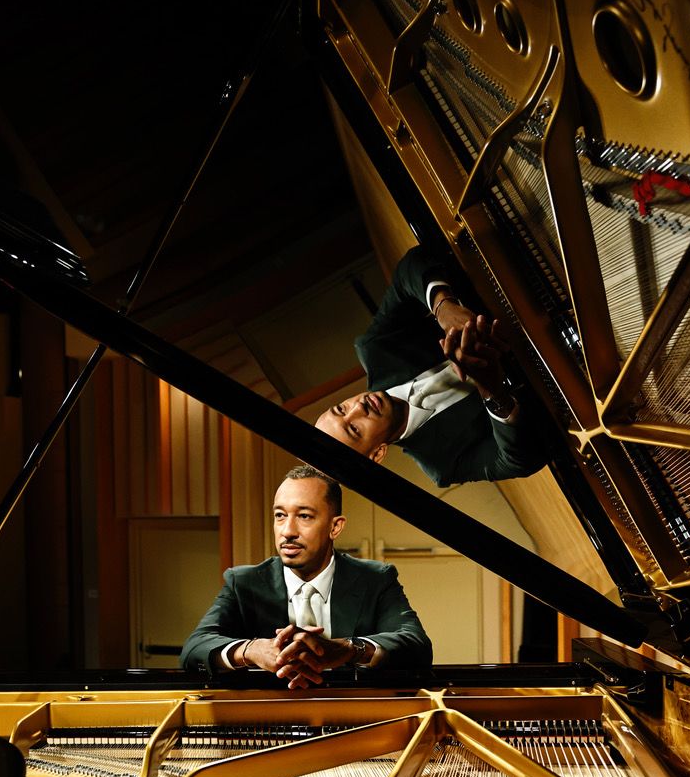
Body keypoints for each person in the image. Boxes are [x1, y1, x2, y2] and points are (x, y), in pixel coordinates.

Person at [314, 244, 548, 487]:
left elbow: (410, 266)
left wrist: (442, 307)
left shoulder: (376, 348)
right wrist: (492, 391)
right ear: (377, 454)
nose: (357, 407)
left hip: (523, 282)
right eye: (354, 429)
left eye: (341, 409)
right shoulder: (442, 464)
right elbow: (521, 461)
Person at [179, 464, 431, 688]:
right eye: (280, 515)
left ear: (335, 527)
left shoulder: (375, 579)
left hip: (356, 714)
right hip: (270, 717)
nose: (288, 531)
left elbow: (416, 645)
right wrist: (250, 650)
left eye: (304, 516)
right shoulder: (244, 582)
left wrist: (349, 649)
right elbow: (194, 648)